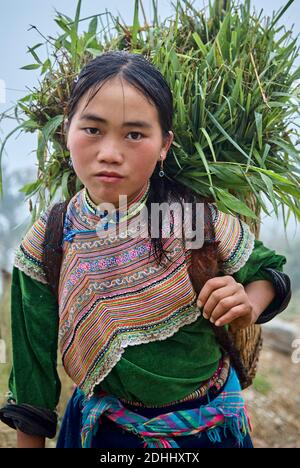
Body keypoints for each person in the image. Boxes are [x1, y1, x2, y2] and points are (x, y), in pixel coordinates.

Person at [0, 51, 291, 448]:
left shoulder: (188, 221)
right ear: (66, 130)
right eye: (92, 130)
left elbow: (269, 273)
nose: (110, 153)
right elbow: (32, 381)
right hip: (106, 436)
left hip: (208, 432)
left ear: (164, 145)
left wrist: (249, 306)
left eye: (134, 134)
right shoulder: (47, 243)